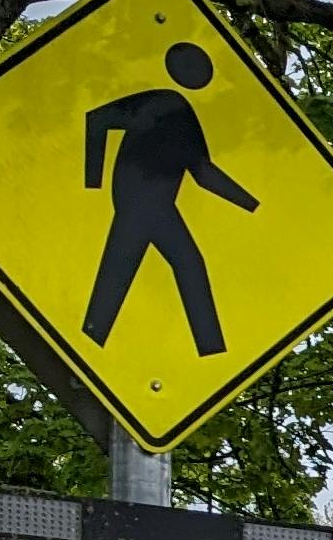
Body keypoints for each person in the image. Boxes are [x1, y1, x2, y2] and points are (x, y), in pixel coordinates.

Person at [81, 41, 258, 354]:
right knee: (172, 265)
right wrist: (91, 182)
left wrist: (251, 205)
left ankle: (210, 351)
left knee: (150, 267)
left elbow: (203, 172)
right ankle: (210, 349)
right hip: (140, 201)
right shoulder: (162, 102)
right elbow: (98, 119)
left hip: (156, 205)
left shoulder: (183, 114)